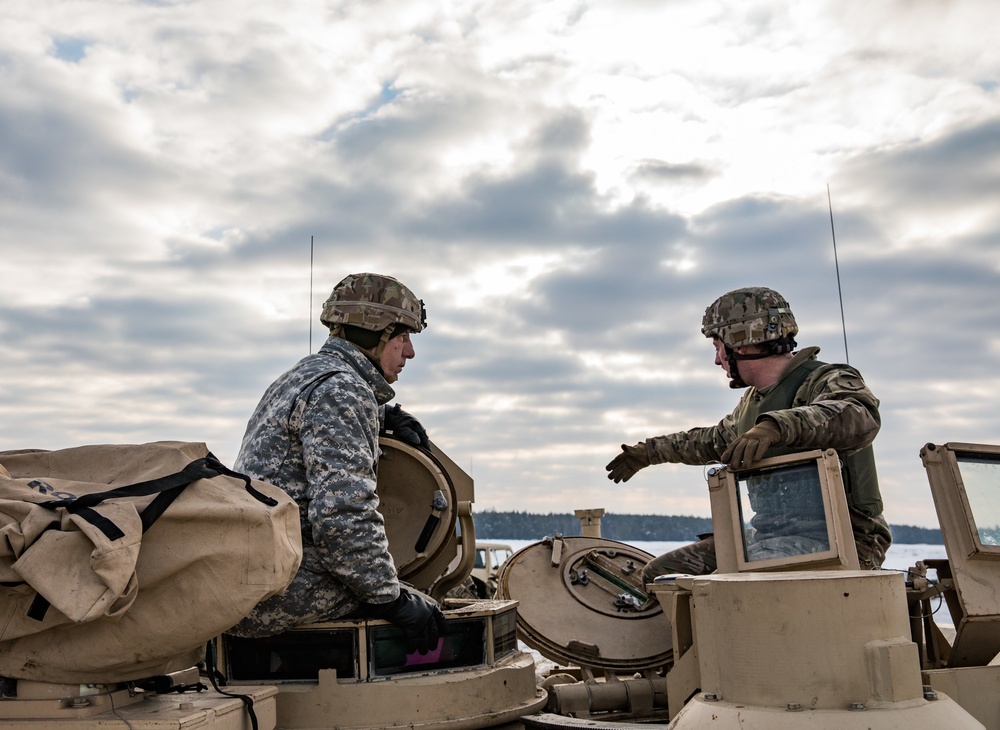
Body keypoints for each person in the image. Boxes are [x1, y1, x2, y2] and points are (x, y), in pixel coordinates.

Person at [606, 286, 892, 582]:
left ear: (740, 343)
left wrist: (777, 427)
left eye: (718, 347)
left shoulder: (827, 380)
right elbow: (712, 441)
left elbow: (860, 415)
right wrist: (650, 452)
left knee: (721, 587)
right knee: (660, 575)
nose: (718, 360)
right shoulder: (752, 404)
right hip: (770, 538)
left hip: (844, 540)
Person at [227, 272, 445, 654]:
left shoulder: (300, 377)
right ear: (373, 334)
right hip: (277, 591)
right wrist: (390, 598)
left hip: (254, 575)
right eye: (402, 337)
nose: (409, 352)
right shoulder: (342, 391)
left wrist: (383, 414)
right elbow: (342, 517)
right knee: (425, 606)